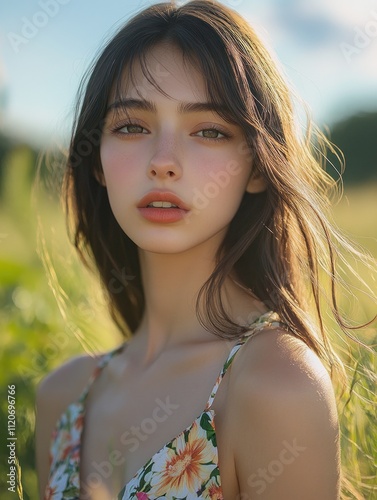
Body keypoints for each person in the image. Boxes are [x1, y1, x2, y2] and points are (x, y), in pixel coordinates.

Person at [35, 0, 371, 498]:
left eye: (209, 131)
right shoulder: (61, 396)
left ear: (258, 167)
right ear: (97, 161)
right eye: (131, 126)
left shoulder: (273, 384)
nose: (163, 162)